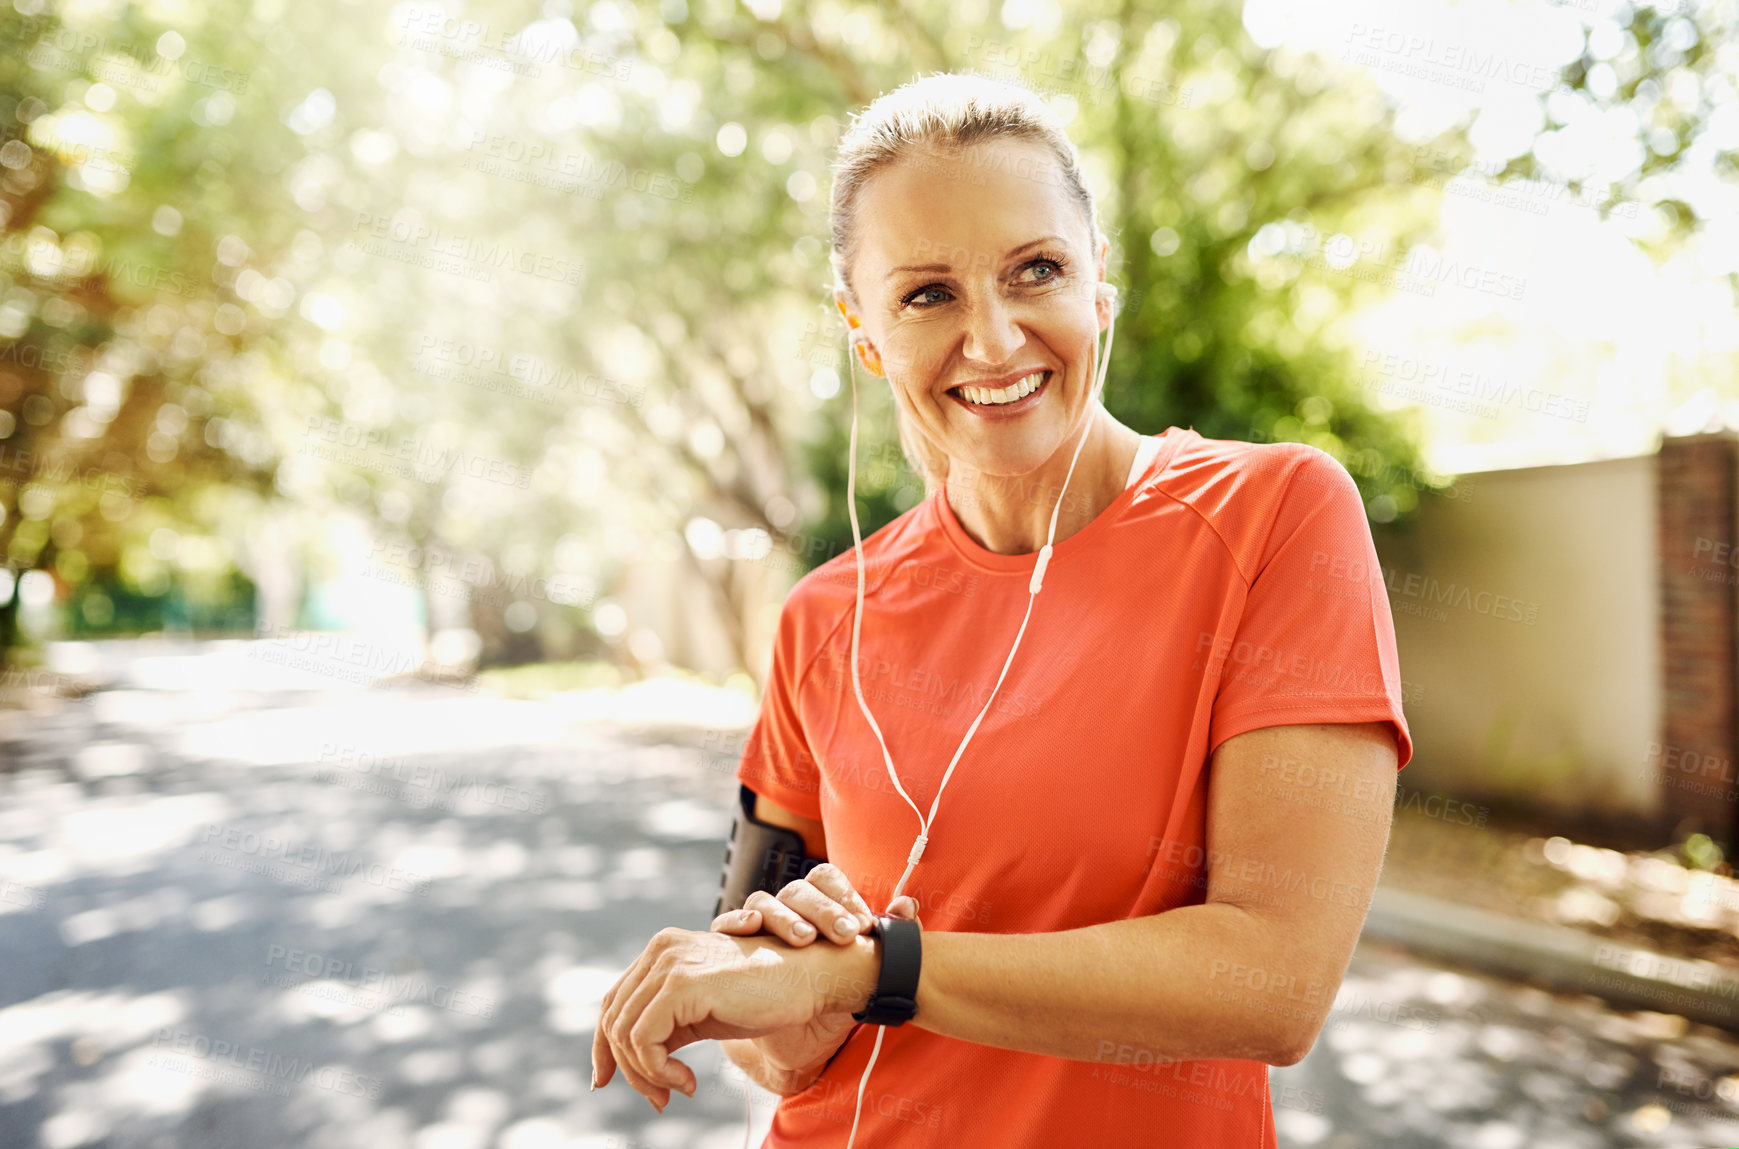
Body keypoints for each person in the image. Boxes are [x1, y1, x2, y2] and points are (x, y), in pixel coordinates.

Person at [591, 70, 1411, 1147]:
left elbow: (1273, 980)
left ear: (1097, 283)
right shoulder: (820, 618)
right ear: (861, 330)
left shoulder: (1272, 516)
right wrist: (782, 986)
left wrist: (877, 967)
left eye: (1035, 271)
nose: (991, 339)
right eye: (926, 294)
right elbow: (766, 1043)